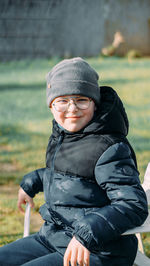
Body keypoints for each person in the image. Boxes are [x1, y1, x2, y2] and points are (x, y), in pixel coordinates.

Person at [0, 57, 148, 266]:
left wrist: (85, 234)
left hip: (101, 249)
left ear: (94, 104)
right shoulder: (63, 135)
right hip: (54, 237)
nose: (72, 108)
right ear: (51, 105)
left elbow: (133, 204)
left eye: (81, 99)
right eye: (62, 100)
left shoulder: (110, 147)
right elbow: (69, 176)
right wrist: (32, 182)